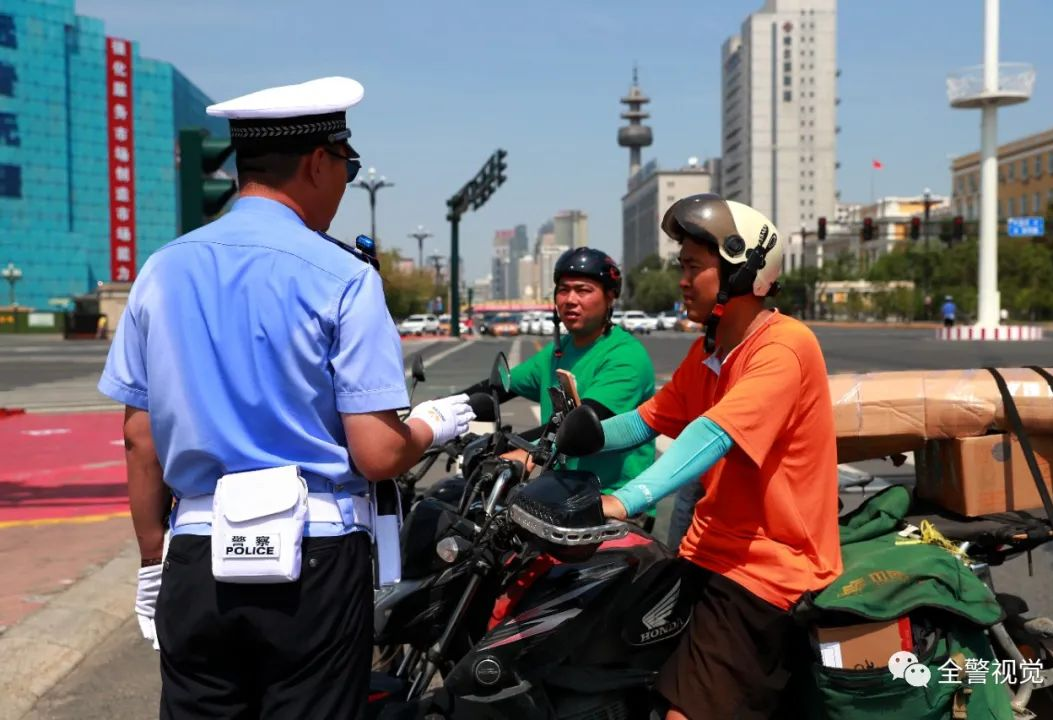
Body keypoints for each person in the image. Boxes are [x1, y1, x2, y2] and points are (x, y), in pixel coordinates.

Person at [98, 76, 475, 718]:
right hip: (313, 559)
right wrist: (431, 427)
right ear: (319, 162)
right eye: (348, 166)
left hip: (195, 551)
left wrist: (153, 560)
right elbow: (379, 452)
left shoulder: (160, 271)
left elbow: (140, 438)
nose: (346, 183)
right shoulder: (344, 278)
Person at [596, 195, 842, 720]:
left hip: (766, 567)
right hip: (706, 550)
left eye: (693, 268)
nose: (682, 281)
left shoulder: (783, 347)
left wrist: (625, 499)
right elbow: (647, 420)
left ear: (740, 272)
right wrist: (571, 438)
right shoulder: (709, 351)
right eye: (680, 266)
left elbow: (712, 433)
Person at [465, 248, 655, 502]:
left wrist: (523, 448)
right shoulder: (558, 351)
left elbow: (581, 425)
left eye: (583, 290)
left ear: (610, 297)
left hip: (613, 501)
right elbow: (497, 388)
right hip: (561, 492)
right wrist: (436, 416)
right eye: (563, 290)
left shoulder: (625, 356)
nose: (570, 299)